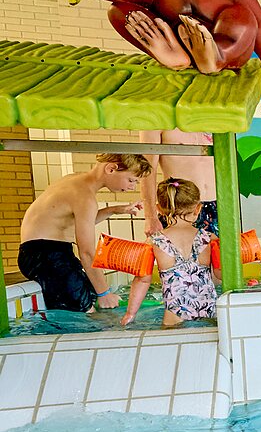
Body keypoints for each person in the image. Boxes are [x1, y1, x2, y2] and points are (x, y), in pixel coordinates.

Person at [18, 153, 151, 312]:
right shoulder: (85, 196)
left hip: (44, 252)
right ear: (111, 169)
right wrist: (105, 293)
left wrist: (114, 210)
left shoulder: (73, 181)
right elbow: (87, 252)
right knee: (86, 309)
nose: (133, 187)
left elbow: (75, 222)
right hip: (45, 256)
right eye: (131, 180)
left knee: (91, 298)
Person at [122, 179, 217, 327]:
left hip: (175, 312)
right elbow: (219, 274)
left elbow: (142, 280)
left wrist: (130, 314)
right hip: (209, 307)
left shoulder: (155, 241)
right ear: (198, 209)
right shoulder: (209, 238)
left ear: (159, 209)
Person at [140, 129, 217, 236]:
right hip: (178, 207)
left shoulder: (214, 117)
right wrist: (150, 217)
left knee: (220, 253)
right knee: (173, 252)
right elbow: (147, 171)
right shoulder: (158, 121)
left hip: (217, 205)